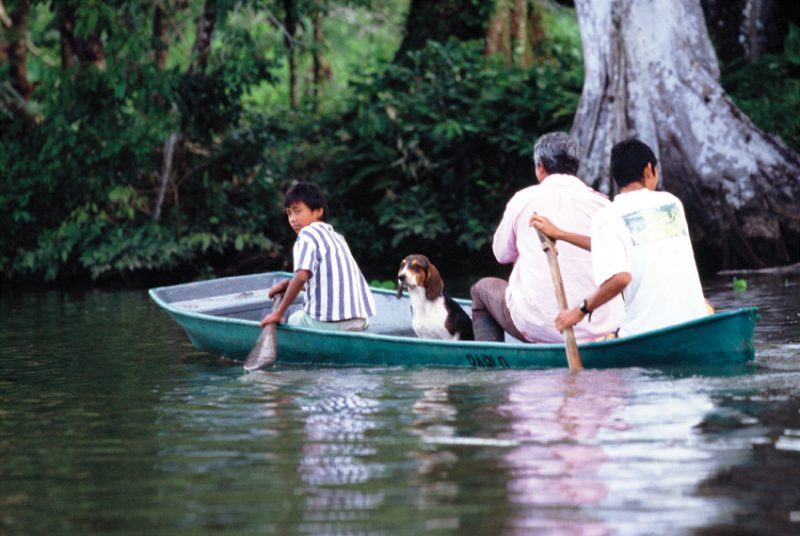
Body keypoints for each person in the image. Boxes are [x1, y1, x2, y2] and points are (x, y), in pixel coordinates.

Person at [534, 138, 710, 338]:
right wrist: (561, 234)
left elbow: (621, 277)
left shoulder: (607, 217)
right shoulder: (672, 204)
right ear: (649, 170)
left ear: (615, 179)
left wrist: (579, 311)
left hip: (645, 332)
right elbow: (624, 246)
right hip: (695, 324)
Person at [470, 132, 624, 343]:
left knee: (481, 289)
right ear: (575, 167)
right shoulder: (604, 205)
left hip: (539, 327)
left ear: (540, 166)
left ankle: (493, 363)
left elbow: (501, 254)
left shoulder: (522, 200)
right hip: (602, 328)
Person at [259, 182, 376, 331]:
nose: (293, 219)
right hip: (360, 320)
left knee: (293, 318)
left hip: (330, 323)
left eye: (298, 211)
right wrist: (288, 284)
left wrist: (278, 313)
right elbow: (325, 281)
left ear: (318, 211)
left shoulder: (307, 234)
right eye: (289, 213)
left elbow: (301, 276)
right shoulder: (337, 237)